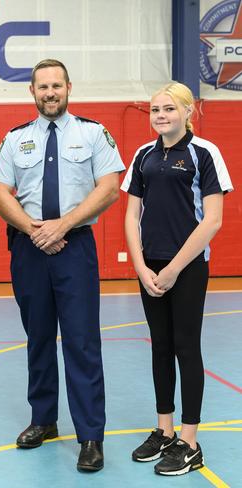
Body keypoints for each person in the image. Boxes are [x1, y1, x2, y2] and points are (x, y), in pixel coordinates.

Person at [0, 59, 124, 472]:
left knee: (82, 342)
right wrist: (35, 230)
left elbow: (111, 188)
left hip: (75, 246)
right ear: (32, 91)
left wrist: (62, 225)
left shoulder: (93, 133)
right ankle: (43, 419)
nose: (50, 92)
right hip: (30, 250)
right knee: (39, 338)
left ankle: (90, 437)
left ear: (69, 88)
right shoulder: (16, 139)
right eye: (43, 86)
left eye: (57, 85)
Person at [121, 82, 232, 476]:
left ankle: (189, 441)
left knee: (186, 346)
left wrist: (172, 269)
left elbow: (213, 220)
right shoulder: (143, 155)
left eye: (168, 108)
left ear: (188, 111)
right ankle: (164, 430)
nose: (160, 115)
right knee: (160, 347)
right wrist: (140, 266)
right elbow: (131, 215)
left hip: (186, 268)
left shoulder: (205, 154)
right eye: (154, 110)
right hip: (149, 268)